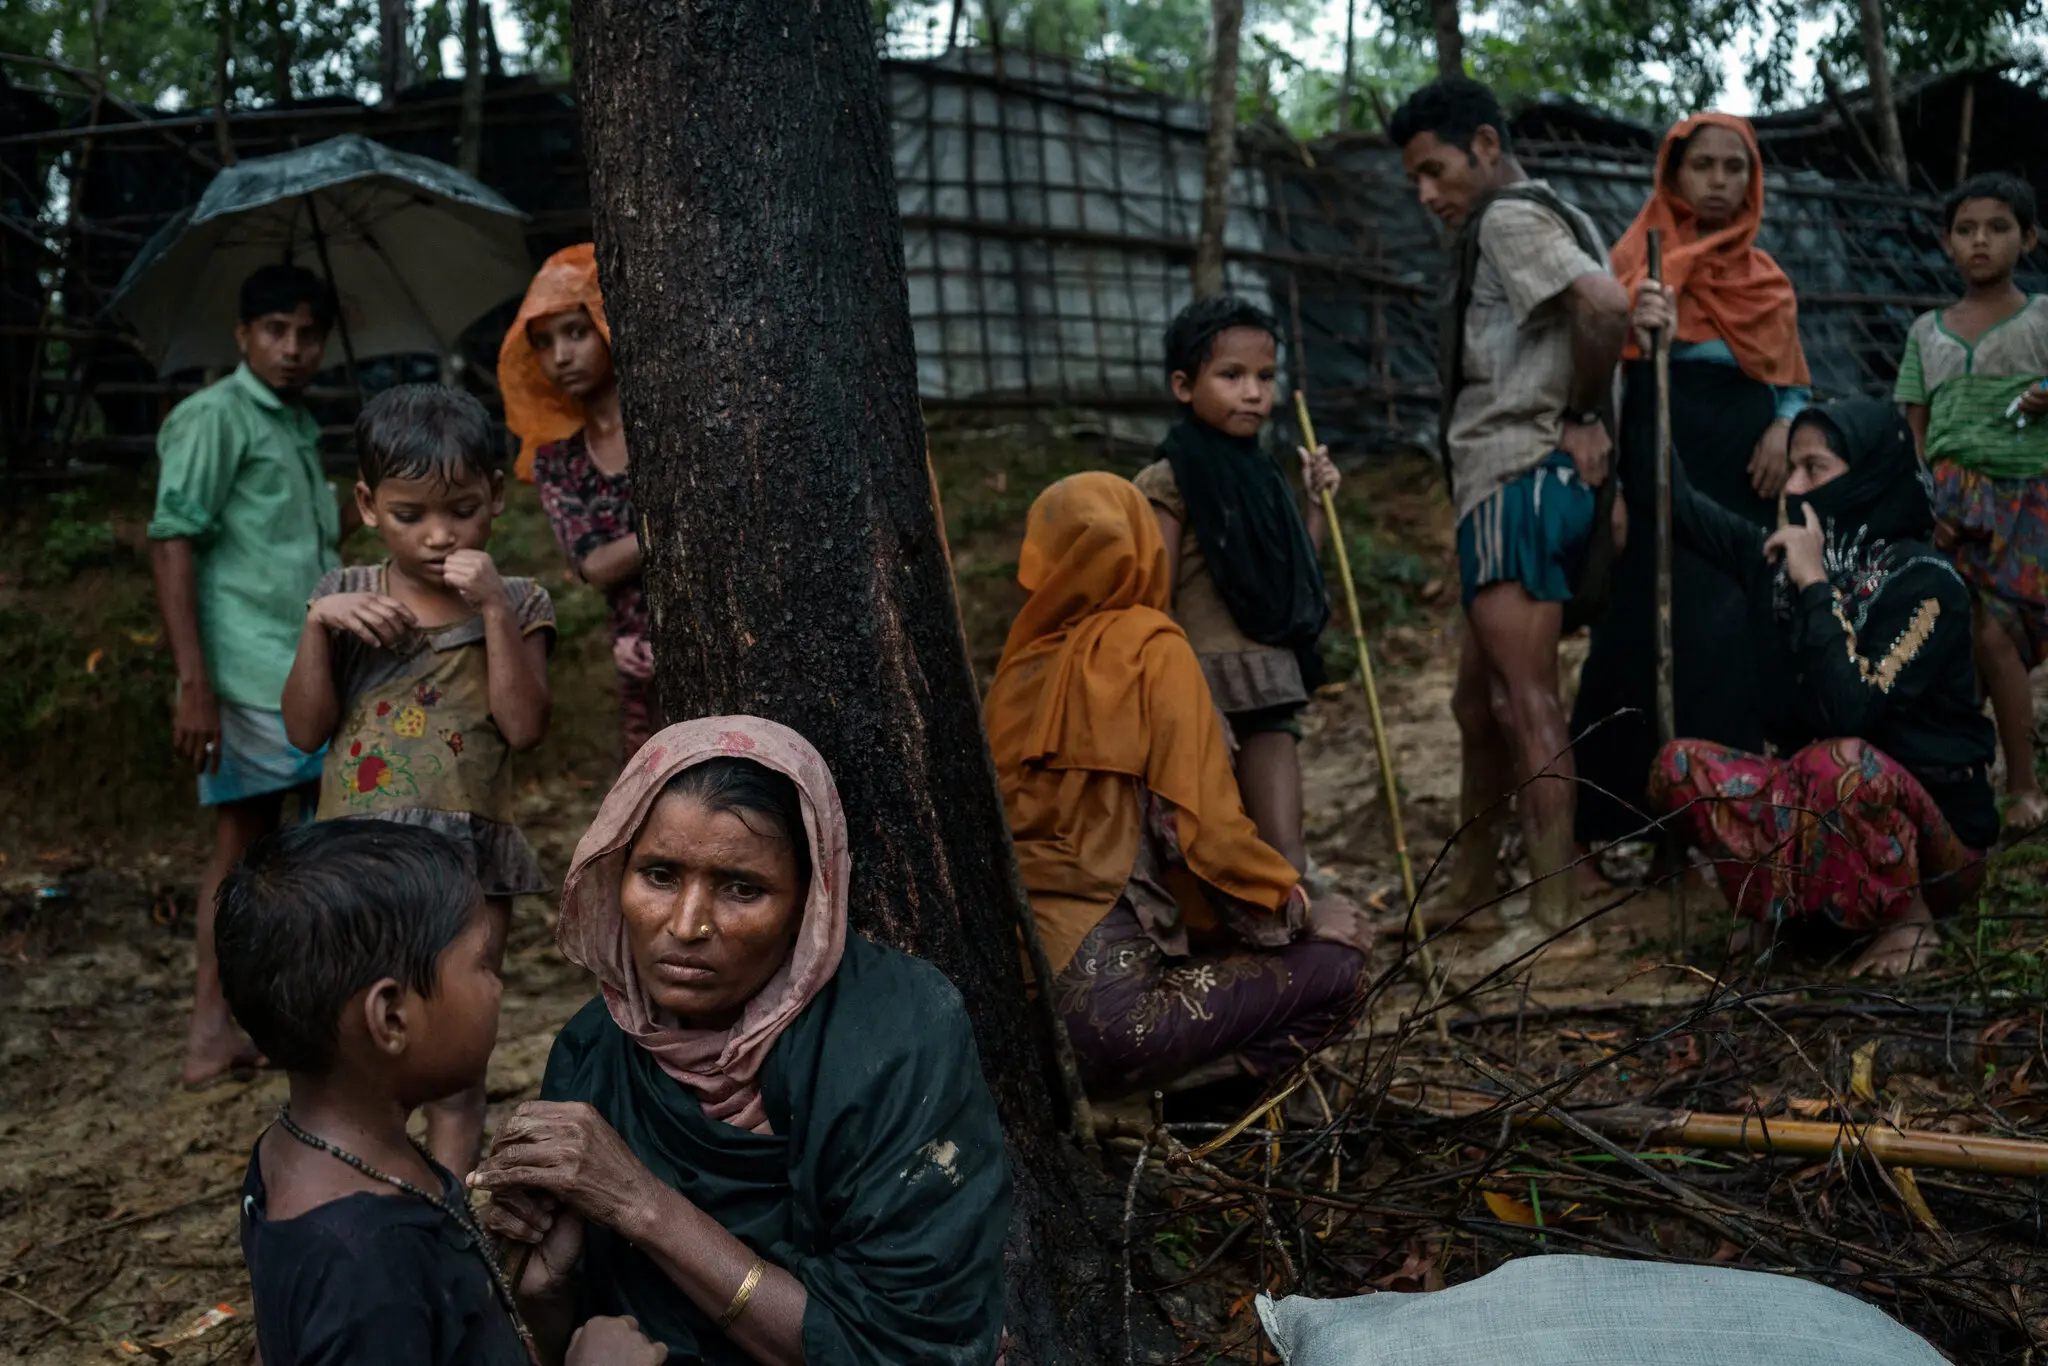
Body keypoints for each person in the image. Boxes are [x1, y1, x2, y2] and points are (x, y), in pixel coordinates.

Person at [469, 717, 1010, 1365]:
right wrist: (545, 1292)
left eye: (742, 889)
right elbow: (582, 1335)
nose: (689, 924)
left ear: (811, 902)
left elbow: (903, 1345)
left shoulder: (897, 1037)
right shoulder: (594, 1051)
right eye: (660, 875)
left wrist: (643, 1205)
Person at [215, 819, 666, 1366]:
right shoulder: (372, 1267)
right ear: (392, 1018)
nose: (497, 985)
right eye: (481, 963)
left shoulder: (287, 1156)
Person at [983, 472, 1372, 1097]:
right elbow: (1203, 837)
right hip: (1113, 1030)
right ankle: (1165, 1108)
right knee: (1340, 971)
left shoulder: (1014, 672)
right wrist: (1301, 912)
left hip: (1012, 1027)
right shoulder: (1151, 650)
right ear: (1144, 546)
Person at [281, 383, 555, 1175]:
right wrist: (315, 628)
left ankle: (449, 1212)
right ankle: (369, 1194)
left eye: (462, 510)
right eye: (411, 516)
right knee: (352, 1036)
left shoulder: (522, 600)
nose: (439, 536)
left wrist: (496, 610)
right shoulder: (345, 599)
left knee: (455, 1055)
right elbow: (303, 730)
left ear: (496, 498)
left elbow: (525, 726)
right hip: (354, 858)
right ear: (368, 505)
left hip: (466, 858)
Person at [1389, 77, 1633, 931]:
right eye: (1415, 179)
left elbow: (1606, 307)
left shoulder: (1510, 217)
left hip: (1517, 481)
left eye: (1436, 169)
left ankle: (1557, 917)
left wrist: (1579, 415)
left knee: (1525, 701)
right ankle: (1470, 893)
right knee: (1474, 704)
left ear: (1486, 146)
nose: (1427, 194)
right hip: (1511, 487)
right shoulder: (1545, 216)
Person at [1647, 400, 1995, 977]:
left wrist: (1815, 586)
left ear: (1869, 474)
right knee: (1681, 767)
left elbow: (1851, 708)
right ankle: (1785, 910)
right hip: (1816, 810)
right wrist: (1636, 359)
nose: (1793, 486)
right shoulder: (1776, 564)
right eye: (1792, 467)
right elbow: (1673, 502)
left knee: (1841, 762)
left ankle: (1909, 919)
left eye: (1815, 468)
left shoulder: (1927, 585)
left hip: (1938, 848)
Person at [1573, 112, 1813, 858]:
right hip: (1661, 459)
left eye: (1732, 168)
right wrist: (1637, 327)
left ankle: (1724, 820)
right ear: (1673, 174)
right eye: (1702, 166)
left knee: (1727, 633)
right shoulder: (1636, 264)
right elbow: (1593, 374)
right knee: (1645, 625)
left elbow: (1791, 381)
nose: (1718, 181)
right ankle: (1623, 821)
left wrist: (1782, 430)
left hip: (1745, 465)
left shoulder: (1765, 278)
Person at [147, 262, 345, 1089]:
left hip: (301, 664)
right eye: (275, 331)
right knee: (248, 847)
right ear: (242, 336)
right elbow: (171, 540)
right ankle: (209, 1030)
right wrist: (196, 684)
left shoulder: (296, 424)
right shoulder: (213, 417)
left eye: (307, 334)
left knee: (286, 845)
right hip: (247, 672)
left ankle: (260, 1023)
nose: (292, 349)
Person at [1131, 296, 1340, 874]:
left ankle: (1295, 946)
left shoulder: (1265, 474)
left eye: (1265, 377)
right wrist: (1181, 702)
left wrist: (1316, 506)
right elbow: (1156, 600)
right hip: (1204, 687)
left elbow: (1293, 578)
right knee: (1213, 843)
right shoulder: (1167, 480)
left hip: (1268, 680)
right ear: (1182, 385)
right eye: (1232, 376)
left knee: (1283, 845)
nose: (1253, 392)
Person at [1895, 173, 2048, 833]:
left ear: (2029, 238)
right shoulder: (1926, 332)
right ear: (1946, 244)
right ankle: (1961, 787)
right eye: (1966, 229)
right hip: (1952, 505)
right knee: (1957, 640)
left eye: (1998, 227)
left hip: (2028, 499)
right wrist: (1922, 501)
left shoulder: (2043, 317)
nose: (1980, 240)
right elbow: (1914, 430)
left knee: (2000, 633)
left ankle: (2023, 786)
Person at [499, 243, 655, 760]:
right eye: (543, 343)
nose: (560, 356)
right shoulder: (559, 462)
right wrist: (687, 531)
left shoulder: (666, 428)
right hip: (639, 661)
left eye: (576, 332)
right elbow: (594, 565)